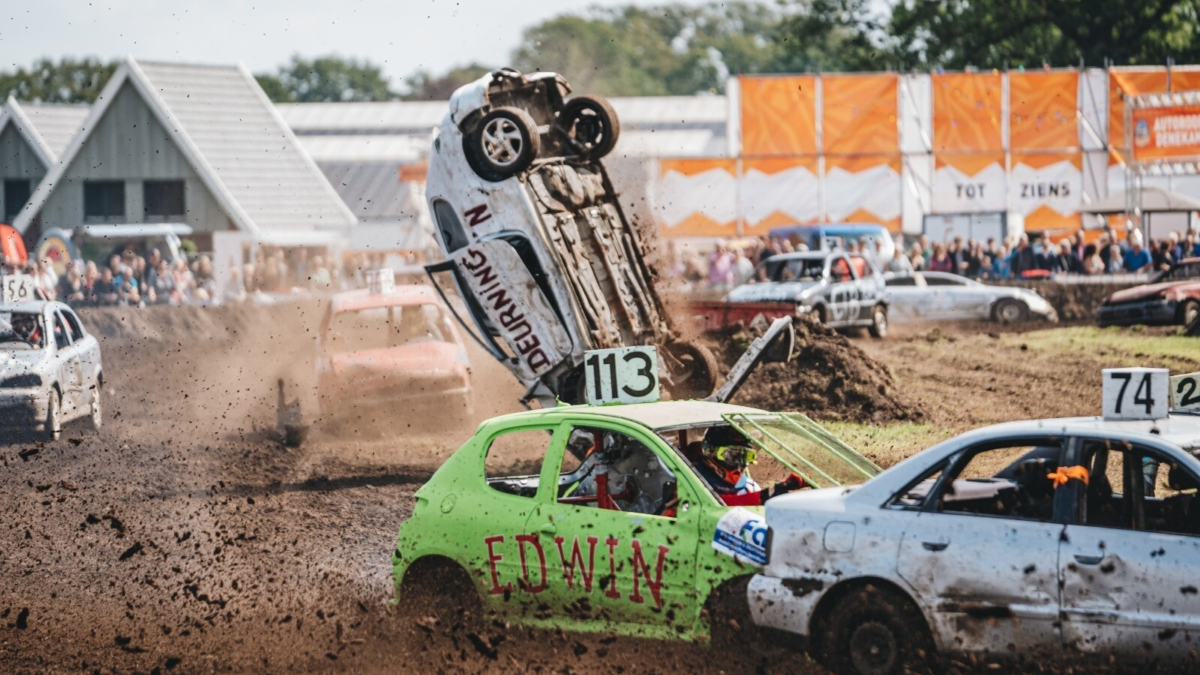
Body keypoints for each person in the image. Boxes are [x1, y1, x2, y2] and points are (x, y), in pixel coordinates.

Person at [693, 426, 806, 506]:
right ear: (710, 452)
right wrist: (771, 493)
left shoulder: (749, 487)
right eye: (733, 455)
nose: (739, 463)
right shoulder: (690, 481)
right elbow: (716, 506)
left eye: (746, 456)